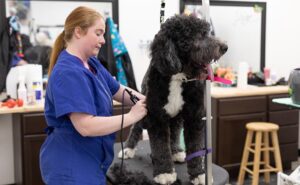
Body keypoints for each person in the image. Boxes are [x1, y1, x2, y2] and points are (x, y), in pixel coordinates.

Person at [39, 6, 147, 185]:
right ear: (78, 32)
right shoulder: (68, 72)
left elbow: (119, 90)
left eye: (103, 34)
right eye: (98, 33)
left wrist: (149, 101)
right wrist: (131, 116)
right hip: (71, 165)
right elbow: (85, 126)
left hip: (92, 160)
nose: (103, 40)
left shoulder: (91, 63)